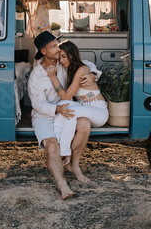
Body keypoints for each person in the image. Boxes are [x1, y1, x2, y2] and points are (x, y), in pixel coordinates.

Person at [28, 31, 99, 200]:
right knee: (52, 145)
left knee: (85, 124)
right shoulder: (36, 76)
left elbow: (85, 63)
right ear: (43, 51)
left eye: (57, 45)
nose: (58, 49)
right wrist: (57, 110)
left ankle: (74, 165)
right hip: (45, 114)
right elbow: (38, 104)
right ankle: (62, 184)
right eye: (53, 46)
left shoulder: (62, 62)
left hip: (66, 108)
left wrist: (93, 73)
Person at [45, 40, 108, 165]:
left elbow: (66, 96)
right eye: (60, 58)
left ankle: (64, 152)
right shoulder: (70, 69)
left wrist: (53, 77)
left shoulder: (82, 69)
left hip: (99, 112)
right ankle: (60, 150)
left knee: (68, 109)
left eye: (64, 57)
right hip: (85, 110)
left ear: (71, 56)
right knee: (64, 111)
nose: (61, 61)